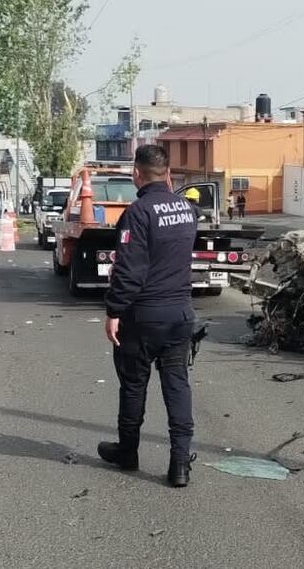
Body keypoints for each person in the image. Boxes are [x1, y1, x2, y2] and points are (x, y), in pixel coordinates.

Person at [99, 145, 198, 488]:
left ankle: (128, 454)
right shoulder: (187, 209)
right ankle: (180, 465)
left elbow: (128, 271)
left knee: (133, 384)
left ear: (136, 175)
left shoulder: (137, 213)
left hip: (143, 316)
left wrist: (113, 311)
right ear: (168, 174)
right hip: (180, 313)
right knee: (177, 386)